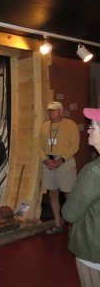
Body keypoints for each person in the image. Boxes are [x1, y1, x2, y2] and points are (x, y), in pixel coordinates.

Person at [62, 107, 100, 287]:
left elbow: (70, 213)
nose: (89, 130)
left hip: (93, 250)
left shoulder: (94, 171)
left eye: (93, 127)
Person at [38, 101, 80, 235]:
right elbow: (39, 145)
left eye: (53, 110)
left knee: (68, 194)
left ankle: (72, 226)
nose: (50, 113)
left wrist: (60, 160)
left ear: (60, 111)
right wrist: (45, 159)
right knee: (52, 193)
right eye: (48, 110)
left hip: (64, 161)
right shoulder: (44, 126)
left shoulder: (70, 125)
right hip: (48, 162)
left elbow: (74, 146)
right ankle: (57, 224)